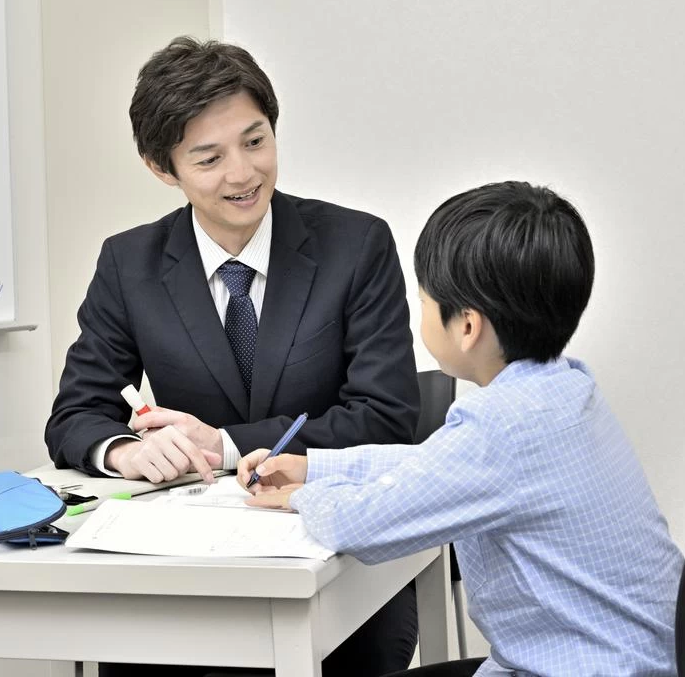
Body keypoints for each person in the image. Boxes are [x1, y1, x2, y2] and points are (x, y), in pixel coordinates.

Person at [46, 37, 420, 677]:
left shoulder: (356, 245)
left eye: (255, 142)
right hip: (185, 588)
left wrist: (221, 446)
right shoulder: (128, 263)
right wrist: (127, 452)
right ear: (163, 168)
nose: (243, 174)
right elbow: (75, 414)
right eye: (209, 157)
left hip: (337, 581)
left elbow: (385, 418)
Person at [242, 181, 684, 677]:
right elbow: (437, 465)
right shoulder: (565, 389)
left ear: (467, 327)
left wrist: (303, 498)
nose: (420, 314)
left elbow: (358, 526)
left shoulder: (501, 425)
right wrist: (316, 467)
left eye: (425, 302)